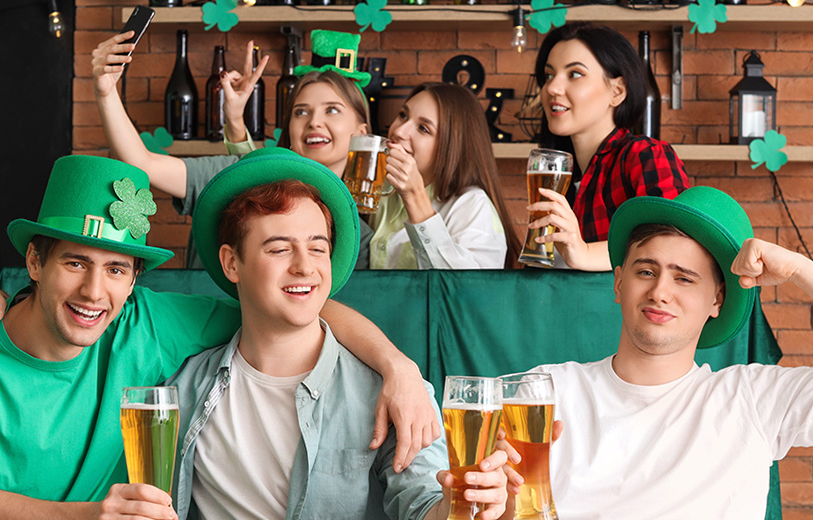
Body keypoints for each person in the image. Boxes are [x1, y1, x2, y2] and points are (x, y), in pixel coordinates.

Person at [0, 156, 440, 520]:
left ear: (135, 280)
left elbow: (288, 306)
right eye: (74, 262)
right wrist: (94, 516)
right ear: (34, 262)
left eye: (116, 268)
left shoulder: (146, 323)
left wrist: (397, 366)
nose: (95, 292)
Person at [511, 186, 813, 519]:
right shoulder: (546, 391)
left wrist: (804, 271)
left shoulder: (751, 399)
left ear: (717, 300)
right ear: (619, 283)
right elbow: (450, 482)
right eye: (646, 271)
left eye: (684, 279)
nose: (660, 292)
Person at [168, 147, 510, 519]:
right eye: (280, 249)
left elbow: (424, 504)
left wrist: (463, 501)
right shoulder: (185, 387)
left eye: (318, 248)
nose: (305, 267)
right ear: (232, 263)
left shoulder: (391, 390)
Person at [92, 30, 375, 269]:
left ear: (362, 133)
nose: (314, 121)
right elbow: (144, 163)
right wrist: (106, 92)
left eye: (332, 111)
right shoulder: (245, 174)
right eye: (301, 112)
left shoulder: (360, 234)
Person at [525, 22, 690, 271]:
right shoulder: (564, 176)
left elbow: (672, 245)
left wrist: (584, 252)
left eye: (575, 74)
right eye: (549, 75)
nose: (552, 88)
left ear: (618, 91)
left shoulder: (646, 156)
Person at [371, 82, 522, 269]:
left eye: (423, 128)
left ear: (452, 148)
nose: (399, 131)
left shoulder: (472, 205)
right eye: (403, 115)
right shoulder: (382, 189)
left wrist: (415, 197)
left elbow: (464, 292)